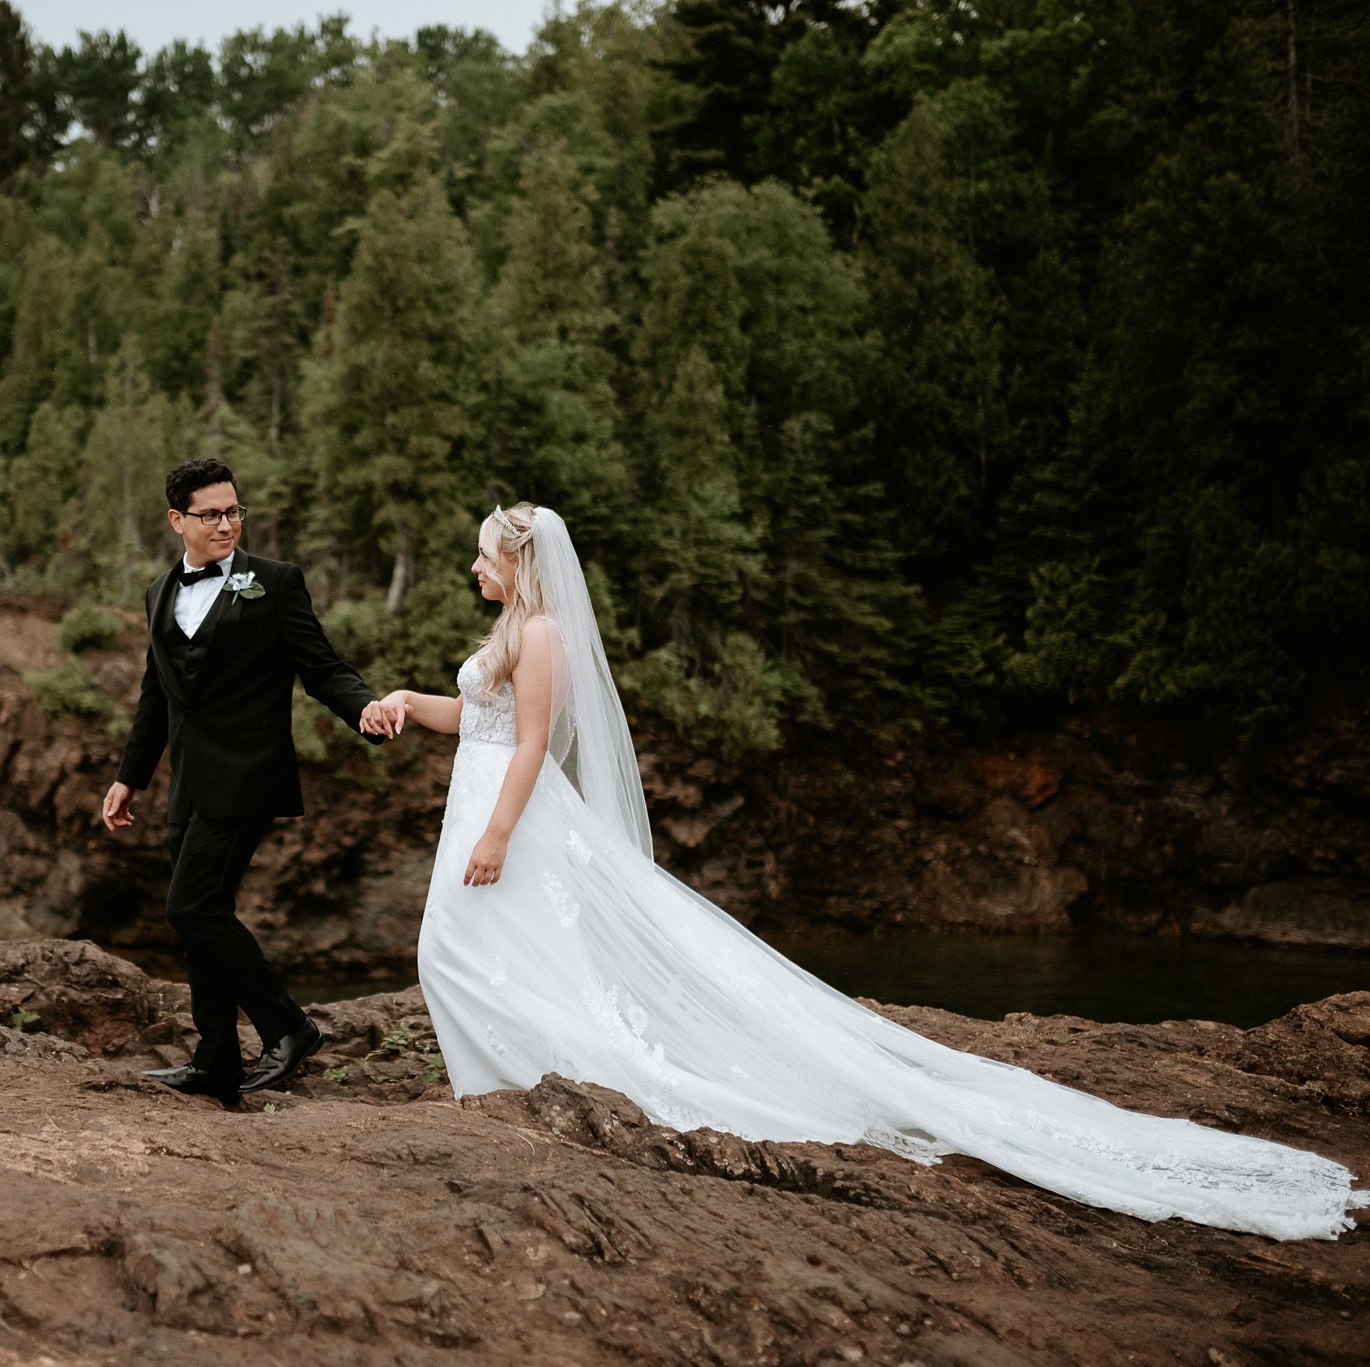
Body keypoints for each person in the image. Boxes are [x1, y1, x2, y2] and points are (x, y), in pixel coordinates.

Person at [375, 501, 1365, 1240]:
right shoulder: (511, 632)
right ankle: (502, 1082)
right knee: (471, 952)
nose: (470, 564)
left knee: (457, 952)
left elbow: (532, 742)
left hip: (512, 815)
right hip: (486, 802)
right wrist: (408, 701)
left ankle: (518, 1083)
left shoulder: (541, 634)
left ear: (518, 561)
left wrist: (499, 833)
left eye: (480, 552)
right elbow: (484, 718)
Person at [103, 458, 399, 1108]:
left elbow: (321, 667)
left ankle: (288, 1025)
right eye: (211, 513)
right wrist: (131, 777)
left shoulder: (276, 582)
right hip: (188, 781)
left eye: (234, 510)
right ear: (177, 519)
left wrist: (366, 710)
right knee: (203, 915)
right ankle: (216, 1059)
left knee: (190, 906)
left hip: (249, 774)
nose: (227, 523)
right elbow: (158, 693)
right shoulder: (158, 593)